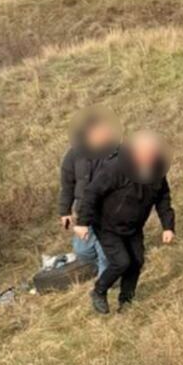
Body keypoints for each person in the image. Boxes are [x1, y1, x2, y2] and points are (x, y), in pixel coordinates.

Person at [78, 130, 174, 314]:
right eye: (147, 154)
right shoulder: (115, 168)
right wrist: (83, 222)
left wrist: (168, 226)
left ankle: (127, 301)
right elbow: (92, 193)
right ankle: (99, 291)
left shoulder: (158, 169)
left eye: (154, 154)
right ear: (136, 152)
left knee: (137, 261)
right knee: (121, 262)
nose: (151, 158)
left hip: (133, 226)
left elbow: (163, 197)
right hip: (107, 225)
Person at [58, 112, 118, 278]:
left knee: (104, 246)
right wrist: (64, 211)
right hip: (84, 209)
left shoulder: (115, 152)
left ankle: (106, 280)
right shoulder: (74, 154)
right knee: (82, 250)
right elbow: (67, 185)